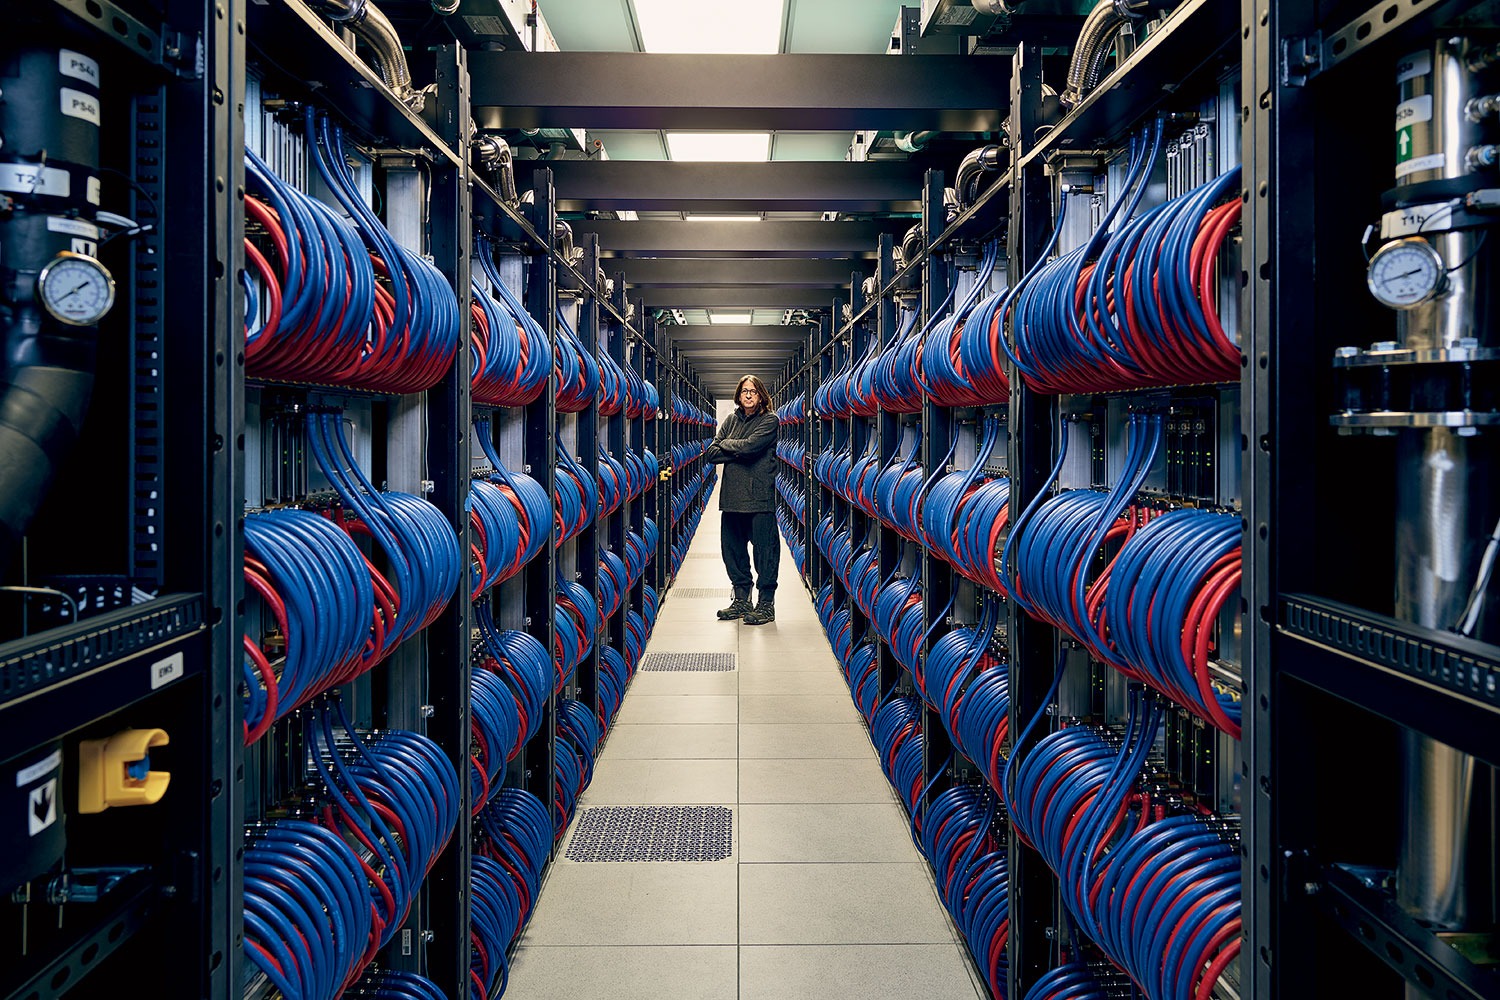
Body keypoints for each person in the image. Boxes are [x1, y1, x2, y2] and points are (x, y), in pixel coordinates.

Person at [704, 374, 780, 625]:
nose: (748, 395)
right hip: (732, 499)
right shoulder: (730, 420)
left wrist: (731, 446)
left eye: (753, 391)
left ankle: (766, 605)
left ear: (761, 396)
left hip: (759, 498)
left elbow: (750, 448)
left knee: (765, 553)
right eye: (744, 391)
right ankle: (741, 600)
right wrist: (740, 449)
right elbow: (712, 454)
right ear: (738, 395)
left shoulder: (769, 420)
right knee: (733, 551)